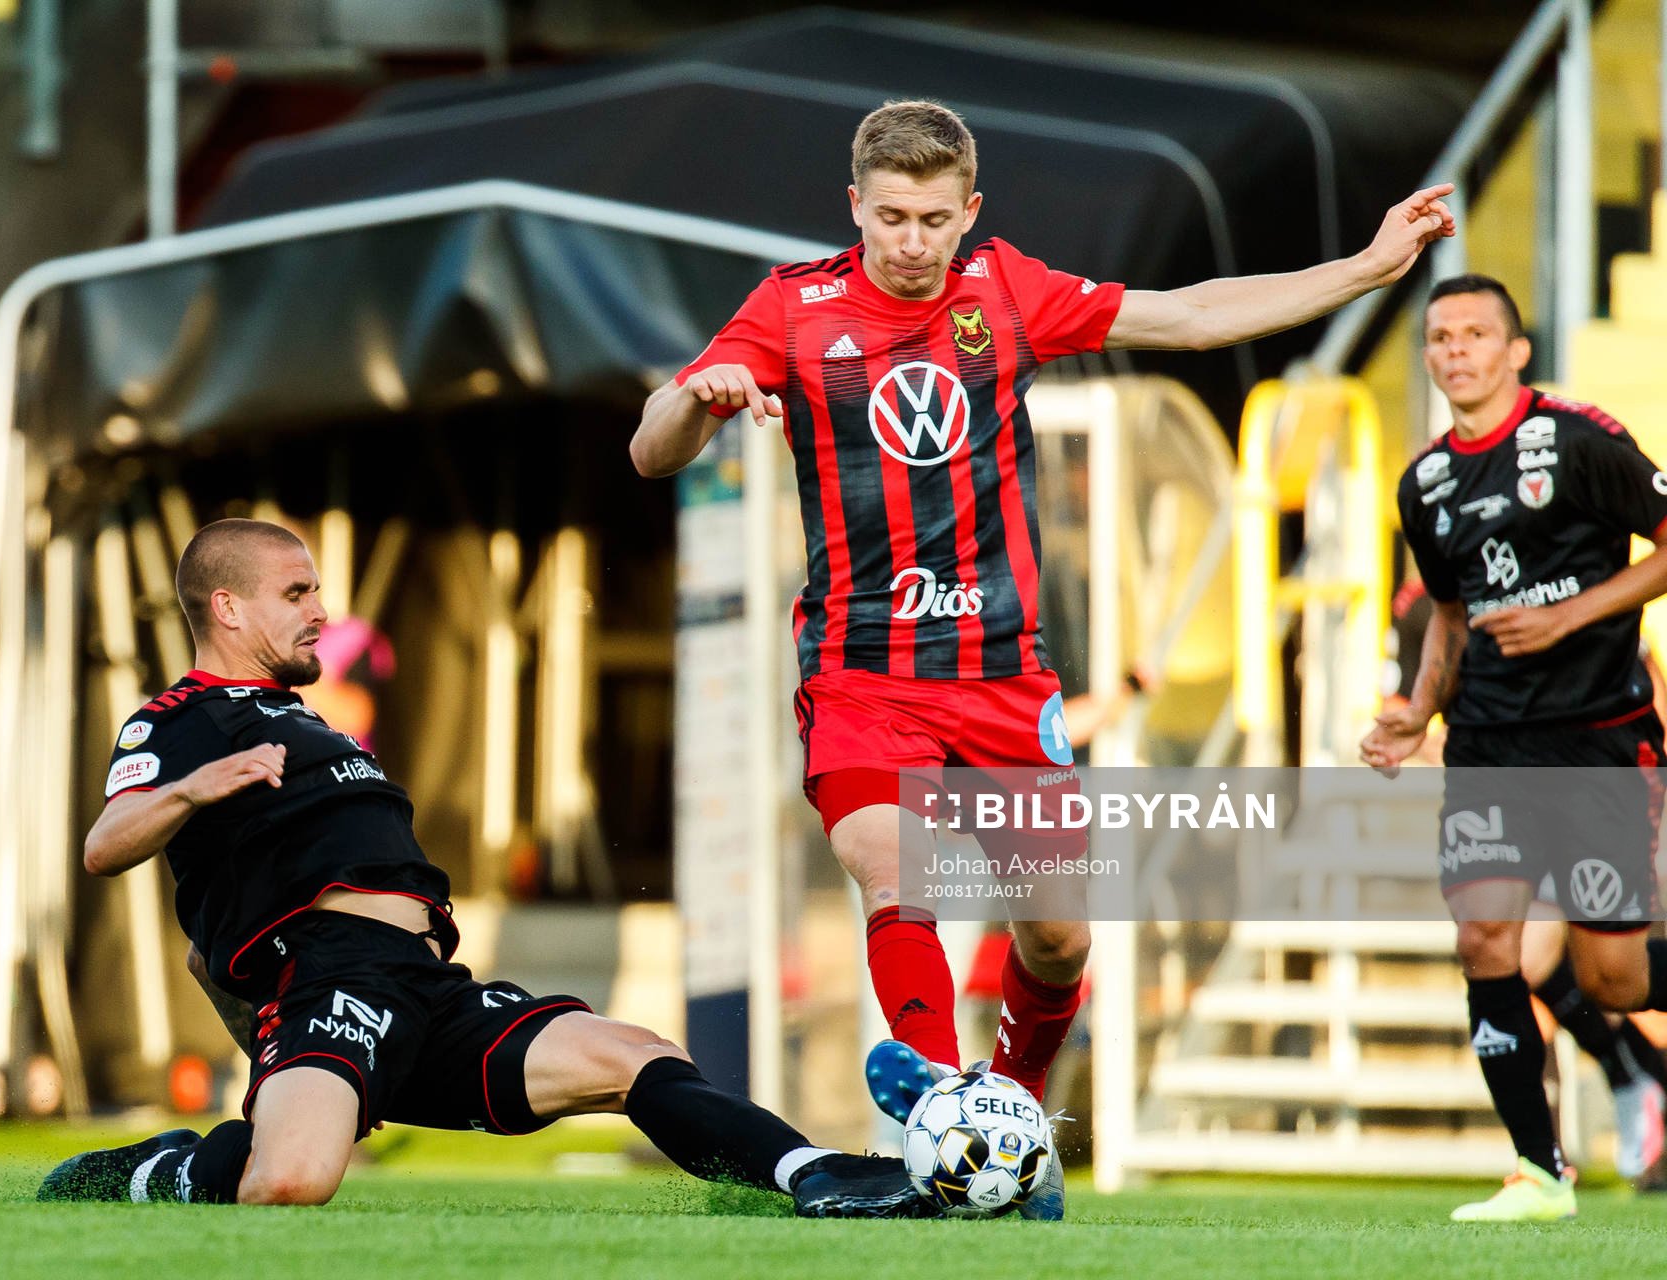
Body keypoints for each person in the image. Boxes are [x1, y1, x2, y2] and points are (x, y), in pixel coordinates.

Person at [631, 97, 1456, 1218]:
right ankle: (932, 1100)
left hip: (1004, 679)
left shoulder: (1007, 290)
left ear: (971, 212)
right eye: (889, 218)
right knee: (894, 863)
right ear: (854, 208)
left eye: (934, 219)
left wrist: (1366, 268)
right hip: (862, 668)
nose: (912, 242)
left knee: (1059, 936)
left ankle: (1008, 1123)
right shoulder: (791, 306)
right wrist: (697, 401)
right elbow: (649, 446)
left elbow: (1196, 316)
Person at [38, 518, 924, 1218]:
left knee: (635, 1054)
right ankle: (168, 1168)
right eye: (297, 592)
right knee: (293, 1182)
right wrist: (198, 786)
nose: (321, 610)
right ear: (226, 608)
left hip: (425, 990)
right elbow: (106, 844)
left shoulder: (311, 720)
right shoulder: (185, 718)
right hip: (332, 982)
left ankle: (824, 1175)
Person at [1360, 273, 1667, 1220]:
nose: (1456, 351)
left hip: (1598, 740)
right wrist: (1417, 710)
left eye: (1475, 335)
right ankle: (1541, 1173)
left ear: (1515, 350)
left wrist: (1576, 609)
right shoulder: (1426, 484)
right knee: (1484, 938)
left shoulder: (1578, 438)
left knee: (1610, 975)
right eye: (1440, 338)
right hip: (1488, 744)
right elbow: (1449, 618)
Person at [1387, 575, 1667, 1184]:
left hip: (1602, 783)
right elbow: (1410, 694)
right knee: (1527, 957)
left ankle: (1637, 1079)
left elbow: (1650, 687)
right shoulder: (1425, 604)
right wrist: (1423, 731)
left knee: (1614, 979)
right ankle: (1617, 1096)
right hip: (1508, 788)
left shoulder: (1573, 573)